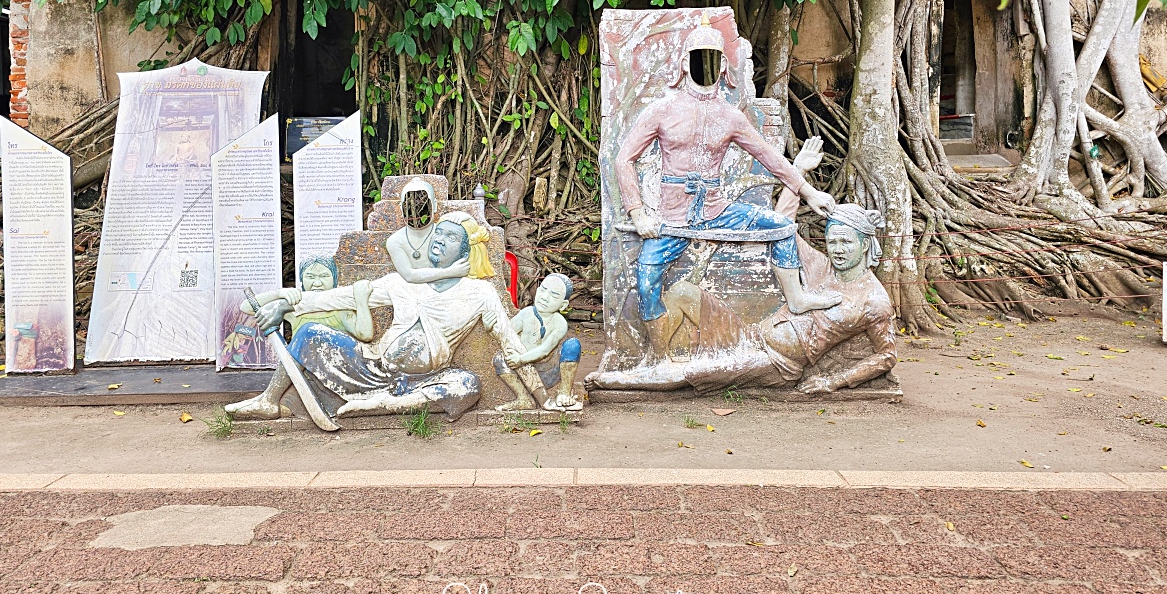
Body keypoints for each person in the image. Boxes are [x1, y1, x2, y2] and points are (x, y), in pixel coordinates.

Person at [589, 137, 897, 395]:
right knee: (682, 292)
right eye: (833, 241)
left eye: (846, 243)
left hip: (777, 362)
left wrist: (832, 381)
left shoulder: (874, 300)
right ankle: (655, 360)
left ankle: (621, 382)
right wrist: (798, 172)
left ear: (866, 244)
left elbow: (886, 356)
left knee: (696, 370)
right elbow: (782, 228)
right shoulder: (822, 266)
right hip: (750, 336)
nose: (838, 250)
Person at [615, 15, 841, 361]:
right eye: (697, 57)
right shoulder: (662, 110)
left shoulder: (731, 116)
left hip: (718, 210)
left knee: (781, 226)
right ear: (684, 64)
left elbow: (770, 158)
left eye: (711, 58)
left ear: (722, 66)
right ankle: (658, 356)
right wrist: (637, 211)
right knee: (647, 276)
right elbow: (623, 159)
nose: (704, 65)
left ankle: (796, 298)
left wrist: (809, 193)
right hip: (673, 217)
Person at [226, 213, 523, 422]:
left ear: (465, 252)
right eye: (439, 232)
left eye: (451, 236)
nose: (440, 239)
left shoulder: (480, 291)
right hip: (372, 370)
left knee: (468, 384)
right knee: (309, 335)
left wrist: (542, 392)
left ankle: (384, 405)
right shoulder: (401, 282)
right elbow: (334, 298)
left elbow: (508, 341)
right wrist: (285, 304)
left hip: (425, 381)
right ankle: (268, 400)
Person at [493, 273, 583, 411]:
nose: (545, 298)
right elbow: (506, 334)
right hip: (523, 373)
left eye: (553, 295)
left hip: (548, 372)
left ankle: (564, 393)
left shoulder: (560, 323)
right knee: (500, 357)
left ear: (563, 305)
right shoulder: (526, 313)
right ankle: (523, 398)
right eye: (543, 290)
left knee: (572, 345)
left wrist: (521, 359)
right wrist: (491, 325)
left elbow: (545, 350)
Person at [385, 178, 470, 284]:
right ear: (401, 208)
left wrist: (467, 218)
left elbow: (473, 236)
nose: (416, 212)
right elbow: (409, 276)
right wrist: (450, 272)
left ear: (434, 206)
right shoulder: (395, 241)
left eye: (423, 206)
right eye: (410, 207)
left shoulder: (441, 233)